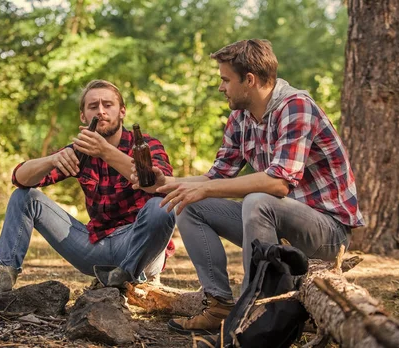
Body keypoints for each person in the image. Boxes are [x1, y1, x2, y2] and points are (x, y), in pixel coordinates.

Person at [131, 39, 365, 334]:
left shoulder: (296, 107)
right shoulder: (240, 118)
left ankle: (254, 314)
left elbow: (279, 183)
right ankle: (218, 305)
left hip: (327, 234)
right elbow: (214, 178)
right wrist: (169, 184)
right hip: (278, 230)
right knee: (188, 202)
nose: (220, 87)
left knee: (258, 200)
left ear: (249, 80)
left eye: (225, 80)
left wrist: (206, 189)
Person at [0, 79, 176, 295]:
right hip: (95, 245)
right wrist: (52, 160)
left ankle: (127, 277)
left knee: (161, 206)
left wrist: (105, 152)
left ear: (122, 111)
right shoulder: (80, 150)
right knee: (24, 197)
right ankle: (0, 278)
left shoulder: (145, 145)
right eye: (93, 107)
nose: (101, 111)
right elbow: (19, 178)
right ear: (83, 117)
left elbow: (161, 185)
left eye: (108, 105)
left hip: (138, 246)